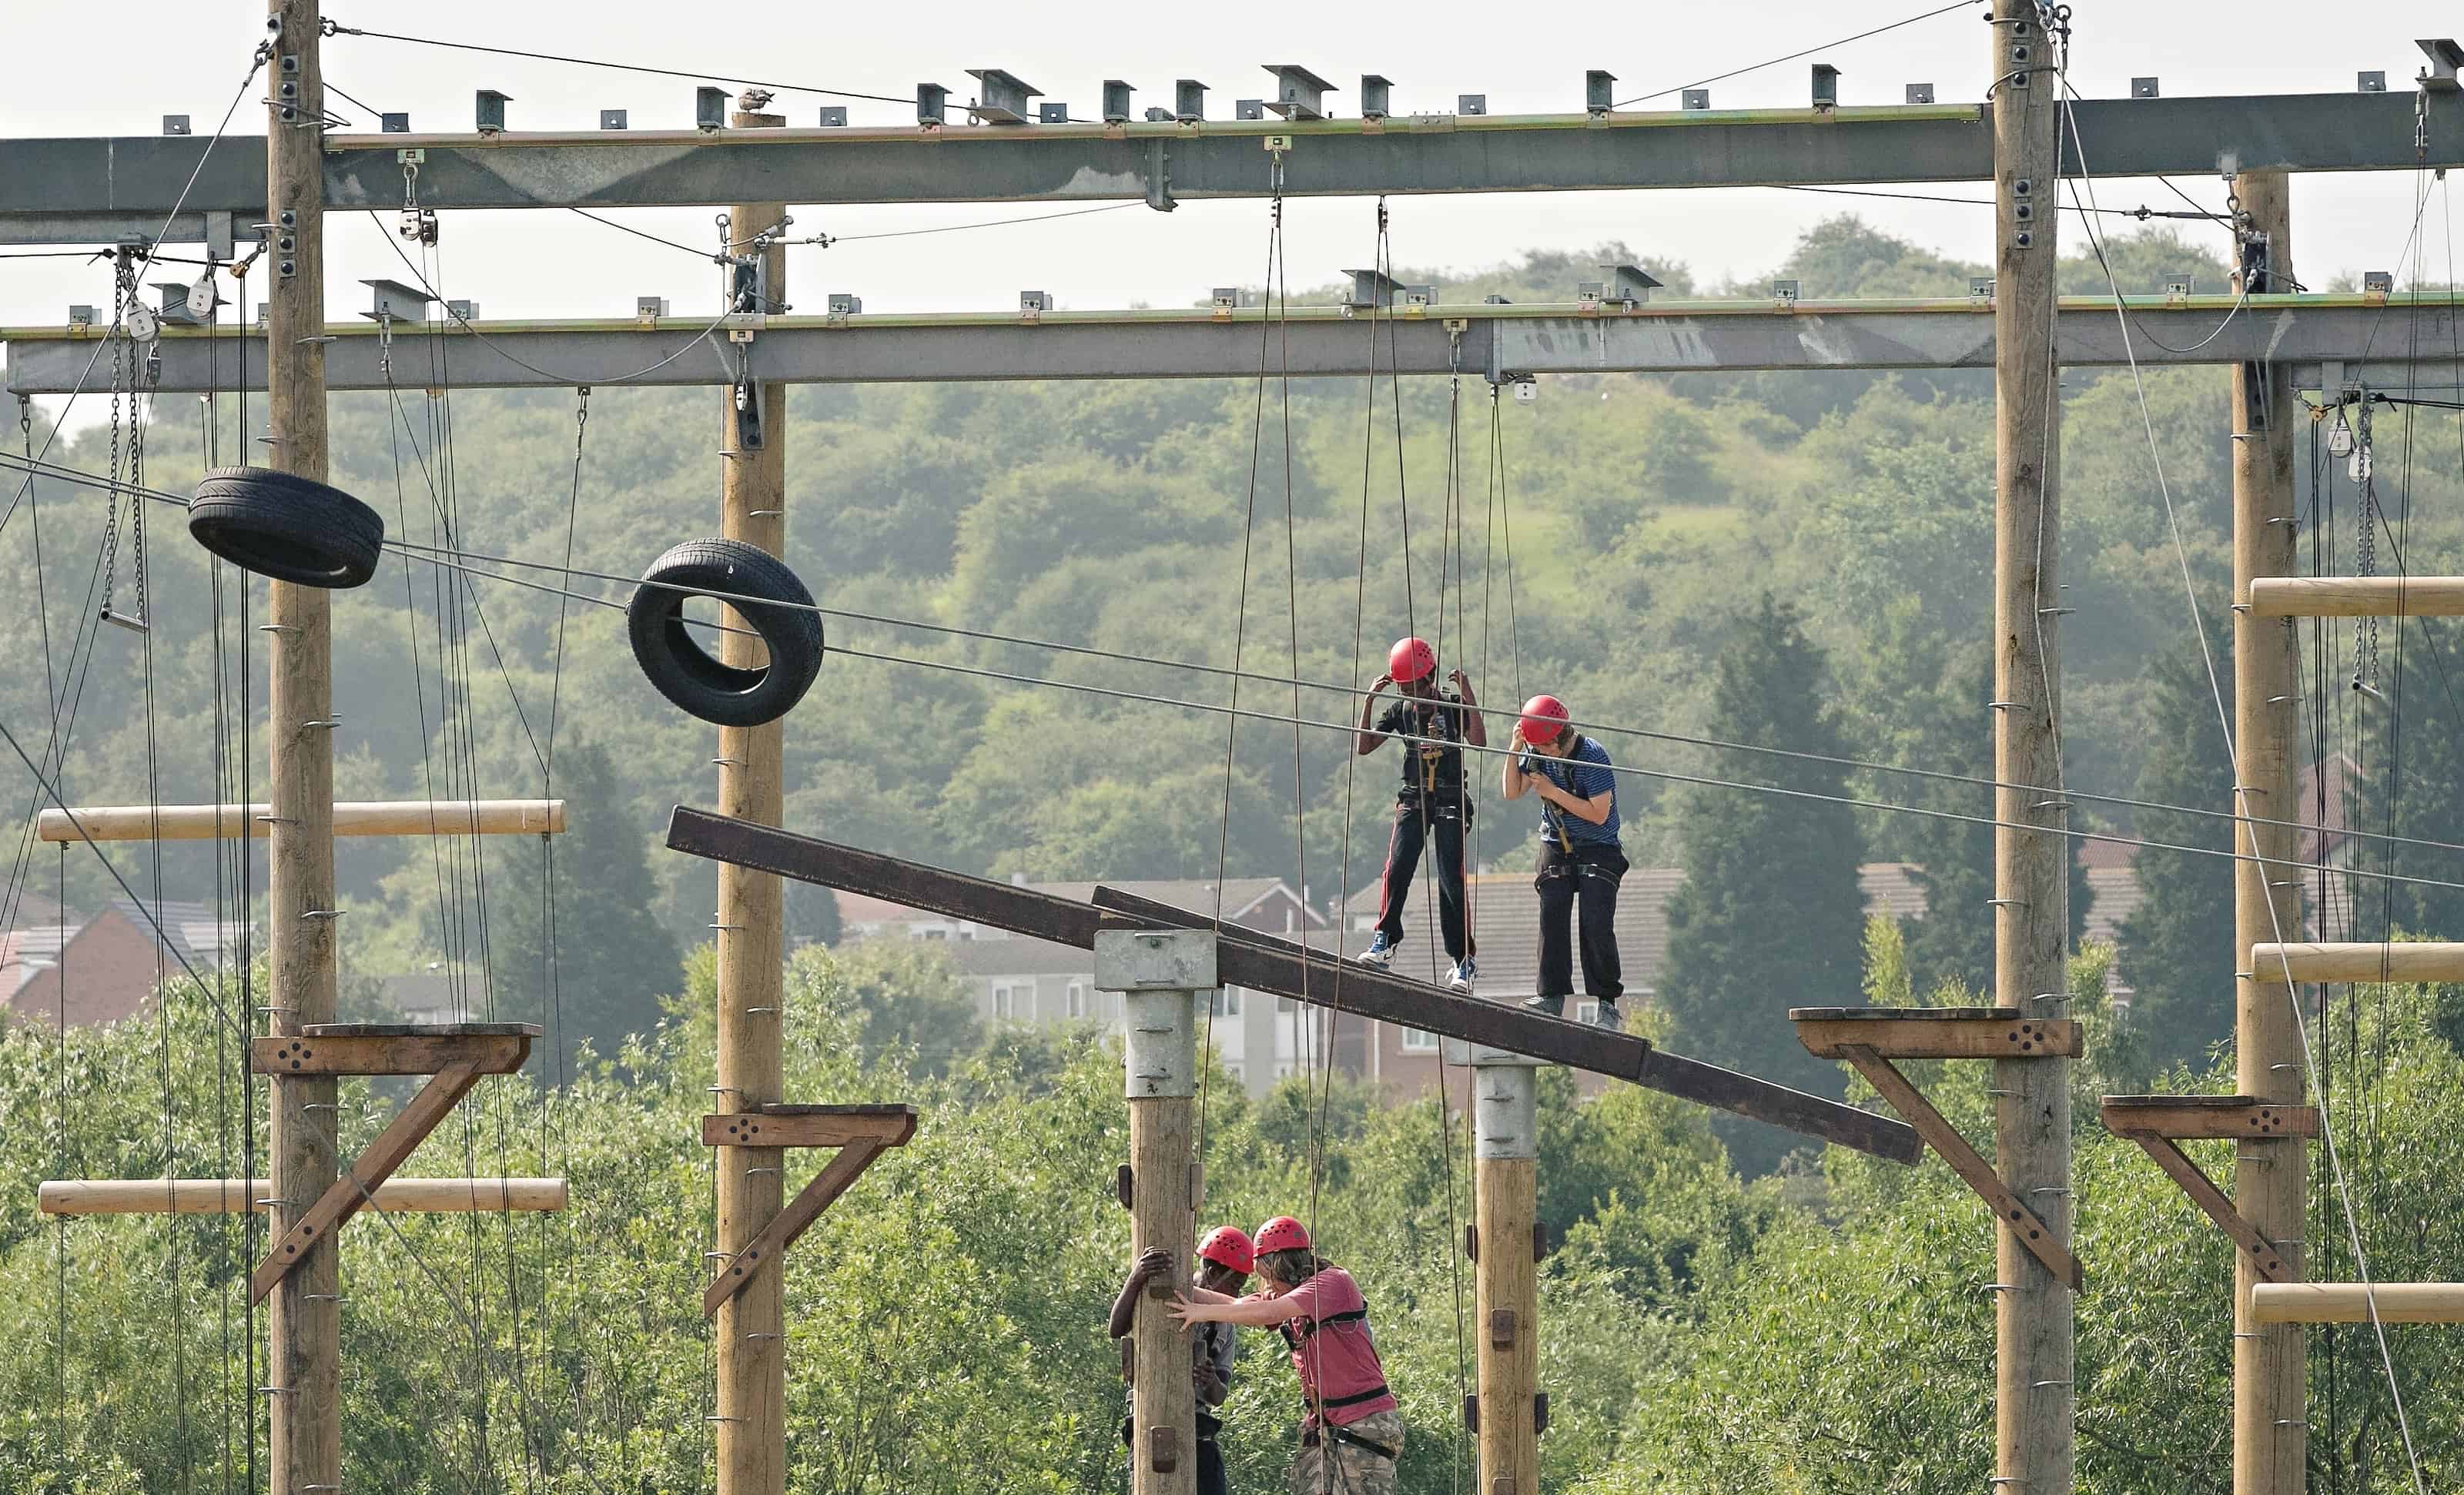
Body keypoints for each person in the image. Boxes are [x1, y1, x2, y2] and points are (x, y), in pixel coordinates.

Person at [1171, 1215, 1404, 1495]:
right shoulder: (1291, 1296)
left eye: (1268, 1277)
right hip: (1325, 1424)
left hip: (1363, 1422)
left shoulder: (1333, 1284)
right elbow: (1238, 1304)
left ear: (1283, 1266)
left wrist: (1200, 1312)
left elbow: (1267, 1313)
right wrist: (1175, 1288)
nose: (1266, 1287)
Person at [1353, 635, 1485, 990]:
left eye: (1416, 687)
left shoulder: (1453, 708)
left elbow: (1479, 741)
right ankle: (1384, 939)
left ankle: (1463, 960)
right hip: (1413, 798)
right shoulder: (1401, 712)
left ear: (1431, 679)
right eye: (1405, 689)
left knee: (1450, 879)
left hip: (1450, 798)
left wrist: (1468, 693)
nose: (1412, 696)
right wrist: (1369, 700)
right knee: (1396, 869)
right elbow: (1364, 747)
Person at [1500, 694, 1629, 1030]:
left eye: (1543, 747)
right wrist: (1515, 749)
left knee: (1595, 921)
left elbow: (1599, 815)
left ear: (1559, 738)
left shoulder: (1592, 756)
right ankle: (1551, 996)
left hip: (1597, 845)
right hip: (1557, 842)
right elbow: (1512, 792)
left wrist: (1554, 793)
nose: (1540, 753)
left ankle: (1606, 1003)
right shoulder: (1538, 751)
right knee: (1552, 912)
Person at [1110, 1224, 1255, 1495]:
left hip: (1198, 1431)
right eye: (1235, 1285)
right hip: (1148, 1423)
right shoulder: (1159, 1291)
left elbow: (1219, 1395)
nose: (1236, 1296)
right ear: (1212, 1274)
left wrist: (1209, 1380)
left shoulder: (1225, 1325)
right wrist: (1137, 1277)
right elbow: (1116, 1328)